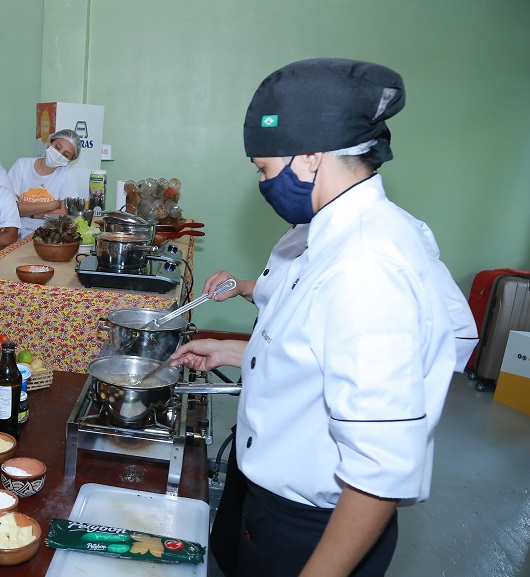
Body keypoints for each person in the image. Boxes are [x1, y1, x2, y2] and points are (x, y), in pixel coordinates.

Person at [170, 58, 471, 577]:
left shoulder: (366, 263)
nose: (264, 184)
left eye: (264, 170)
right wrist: (244, 352)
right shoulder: (321, 229)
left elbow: (380, 470)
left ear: (310, 157)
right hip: (265, 489)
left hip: (312, 528)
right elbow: (327, 349)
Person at [8, 128, 81, 237]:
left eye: (66, 155)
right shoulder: (22, 165)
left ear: (69, 160)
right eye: (57, 147)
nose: (59, 154)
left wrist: (31, 213)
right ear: (49, 142)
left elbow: (63, 214)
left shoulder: (67, 172)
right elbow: (12, 208)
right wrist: (52, 205)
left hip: (50, 237)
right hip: (18, 235)